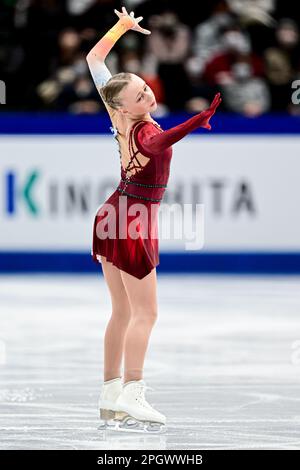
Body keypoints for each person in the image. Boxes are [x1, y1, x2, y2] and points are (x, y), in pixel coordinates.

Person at [86, 6, 221, 433]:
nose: (147, 95)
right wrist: (195, 122)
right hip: (132, 221)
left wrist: (121, 28)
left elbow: (93, 60)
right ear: (124, 108)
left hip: (114, 212)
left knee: (122, 312)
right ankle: (134, 389)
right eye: (140, 96)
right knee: (146, 314)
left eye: (146, 88)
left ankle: (111, 394)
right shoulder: (142, 129)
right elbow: (160, 141)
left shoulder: (117, 115)